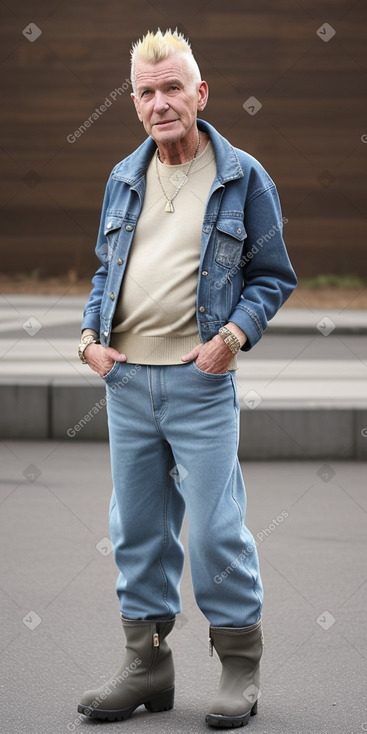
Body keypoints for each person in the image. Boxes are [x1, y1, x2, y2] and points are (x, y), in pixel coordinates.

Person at [77, 28, 297, 729]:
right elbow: (105, 272)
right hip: (126, 382)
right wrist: (88, 339)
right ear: (134, 102)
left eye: (172, 87)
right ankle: (146, 667)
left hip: (199, 382)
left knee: (213, 534)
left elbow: (272, 276)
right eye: (146, 92)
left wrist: (230, 339)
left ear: (200, 93)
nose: (159, 102)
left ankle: (238, 666)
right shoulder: (124, 175)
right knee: (136, 530)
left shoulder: (242, 175)